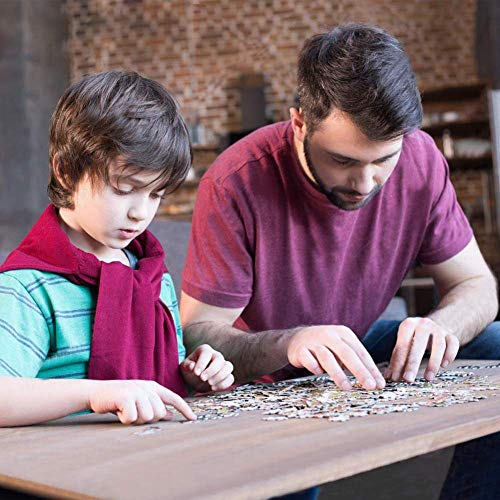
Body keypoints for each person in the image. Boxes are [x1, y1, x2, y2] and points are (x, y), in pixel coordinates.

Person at [180, 24, 499, 500]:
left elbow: (478, 286)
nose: (366, 182)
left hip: (361, 340)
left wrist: (444, 327)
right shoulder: (236, 181)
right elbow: (199, 332)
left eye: (383, 159)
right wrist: (293, 343)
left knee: (493, 342)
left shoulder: (421, 159)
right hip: (266, 371)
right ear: (299, 123)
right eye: (343, 161)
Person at [0, 70, 234, 427]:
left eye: (155, 194)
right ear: (65, 172)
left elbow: (159, 379)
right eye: (124, 189)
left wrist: (192, 371)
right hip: (67, 474)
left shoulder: (151, 274)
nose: (140, 212)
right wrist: (96, 393)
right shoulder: (29, 287)